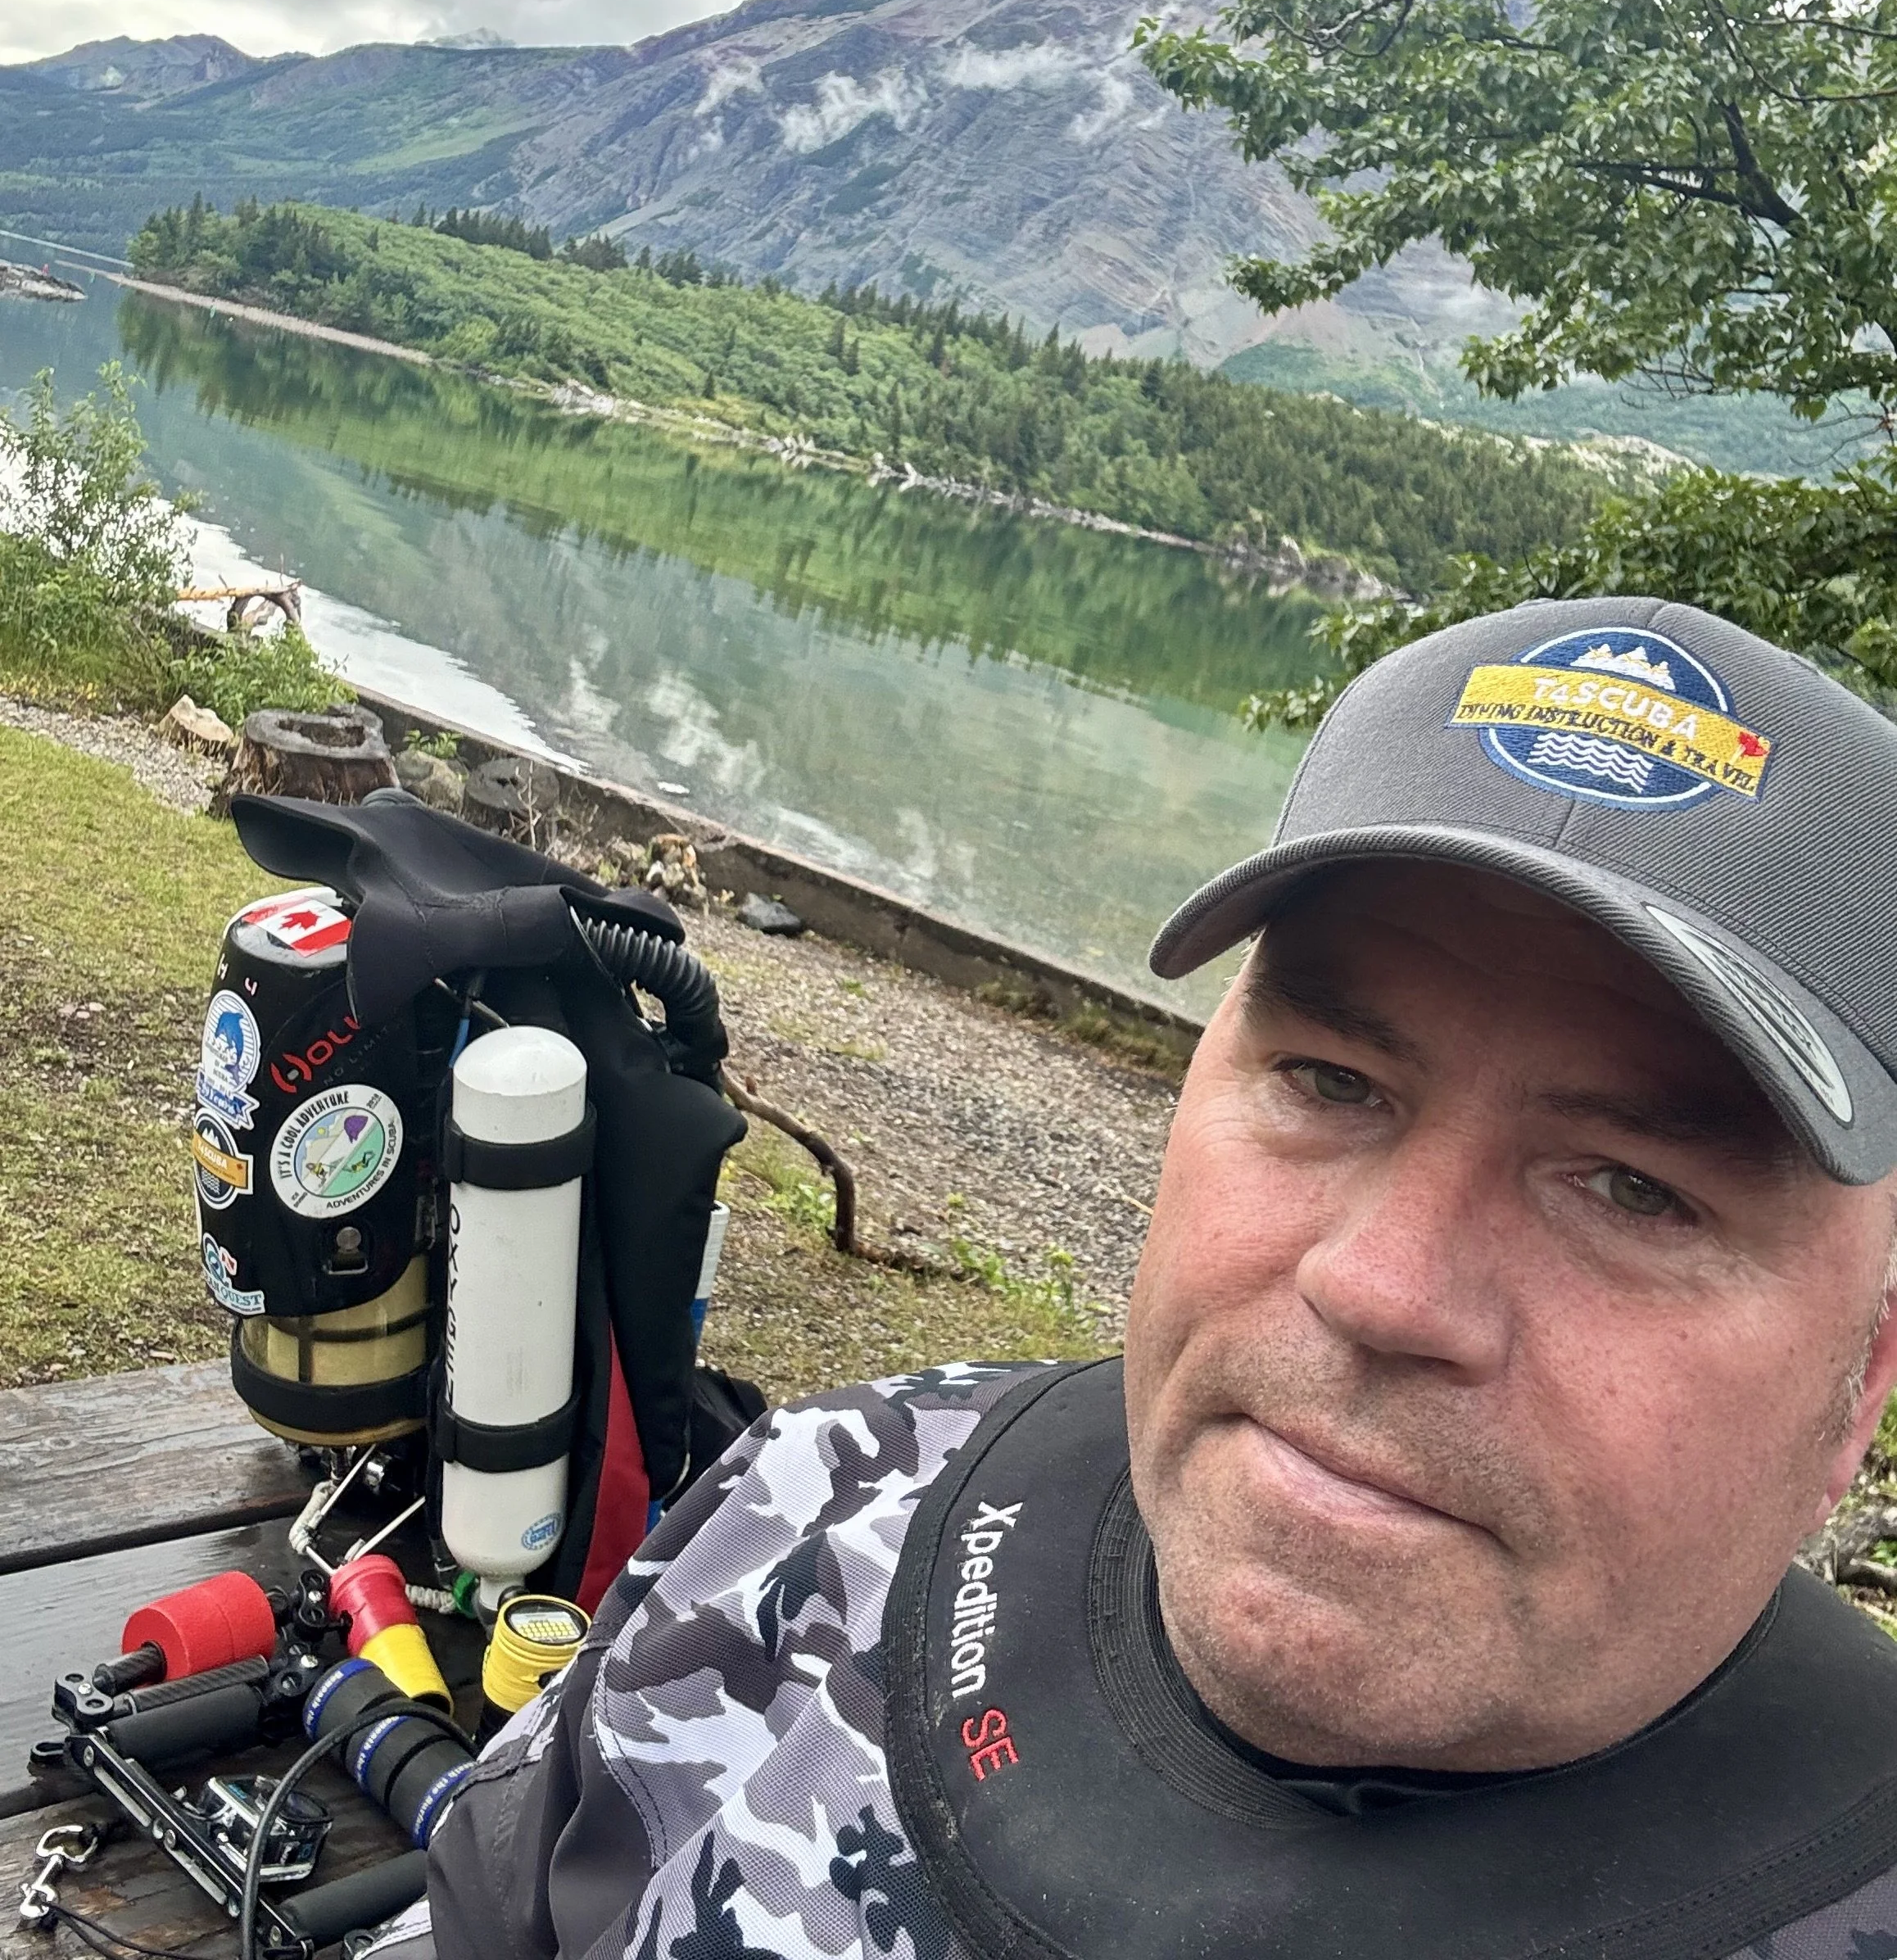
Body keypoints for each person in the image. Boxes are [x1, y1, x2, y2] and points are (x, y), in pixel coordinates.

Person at [378, 598, 1897, 1960]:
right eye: (1332, 1079)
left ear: (1864, 1383)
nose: (1380, 1286)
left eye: (1635, 1189)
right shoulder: (828, 1500)